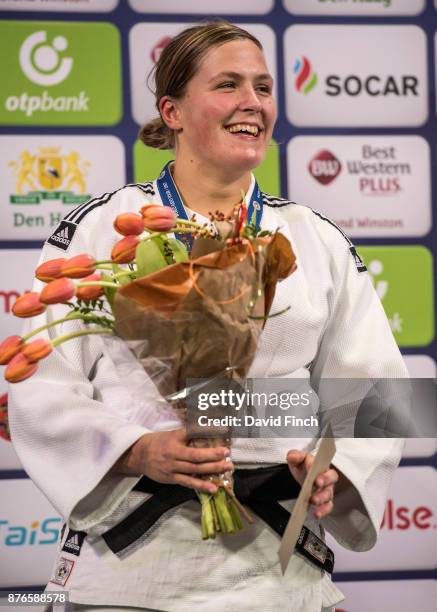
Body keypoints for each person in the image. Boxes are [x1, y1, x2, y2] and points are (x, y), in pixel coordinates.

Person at [8, 21, 407, 612]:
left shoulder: (314, 238)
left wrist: (337, 467)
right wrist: (137, 448)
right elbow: (41, 388)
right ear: (172, 111)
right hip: (136, 565)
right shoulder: (99, 229)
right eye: (228, 85)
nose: (253, 102)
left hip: (282, 567)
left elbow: (381, 392)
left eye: (264, 88)